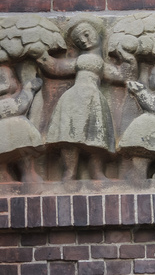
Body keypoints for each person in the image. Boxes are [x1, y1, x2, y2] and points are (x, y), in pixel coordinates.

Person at [36, 15, 137, 181]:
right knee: (71, 136)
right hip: (75, 98)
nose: (84, 40)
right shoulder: (82, 59)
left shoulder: (98, 63)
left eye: (86, 33)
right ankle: (70, 172)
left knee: (96, 136)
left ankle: (95, 173)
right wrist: (42, 56)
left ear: (96, 32)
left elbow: (122, 76)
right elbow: (57, 67)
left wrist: (128, 58)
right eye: (78, 39)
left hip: (93, 100)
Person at [0, 64, 44, 183]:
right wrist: (28, 89)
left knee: (24, 159)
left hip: (12, 136)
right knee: (16, 160)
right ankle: (8, 179)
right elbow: (18, 107)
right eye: (11, 77)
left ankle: (27, 177)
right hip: (13, 135)